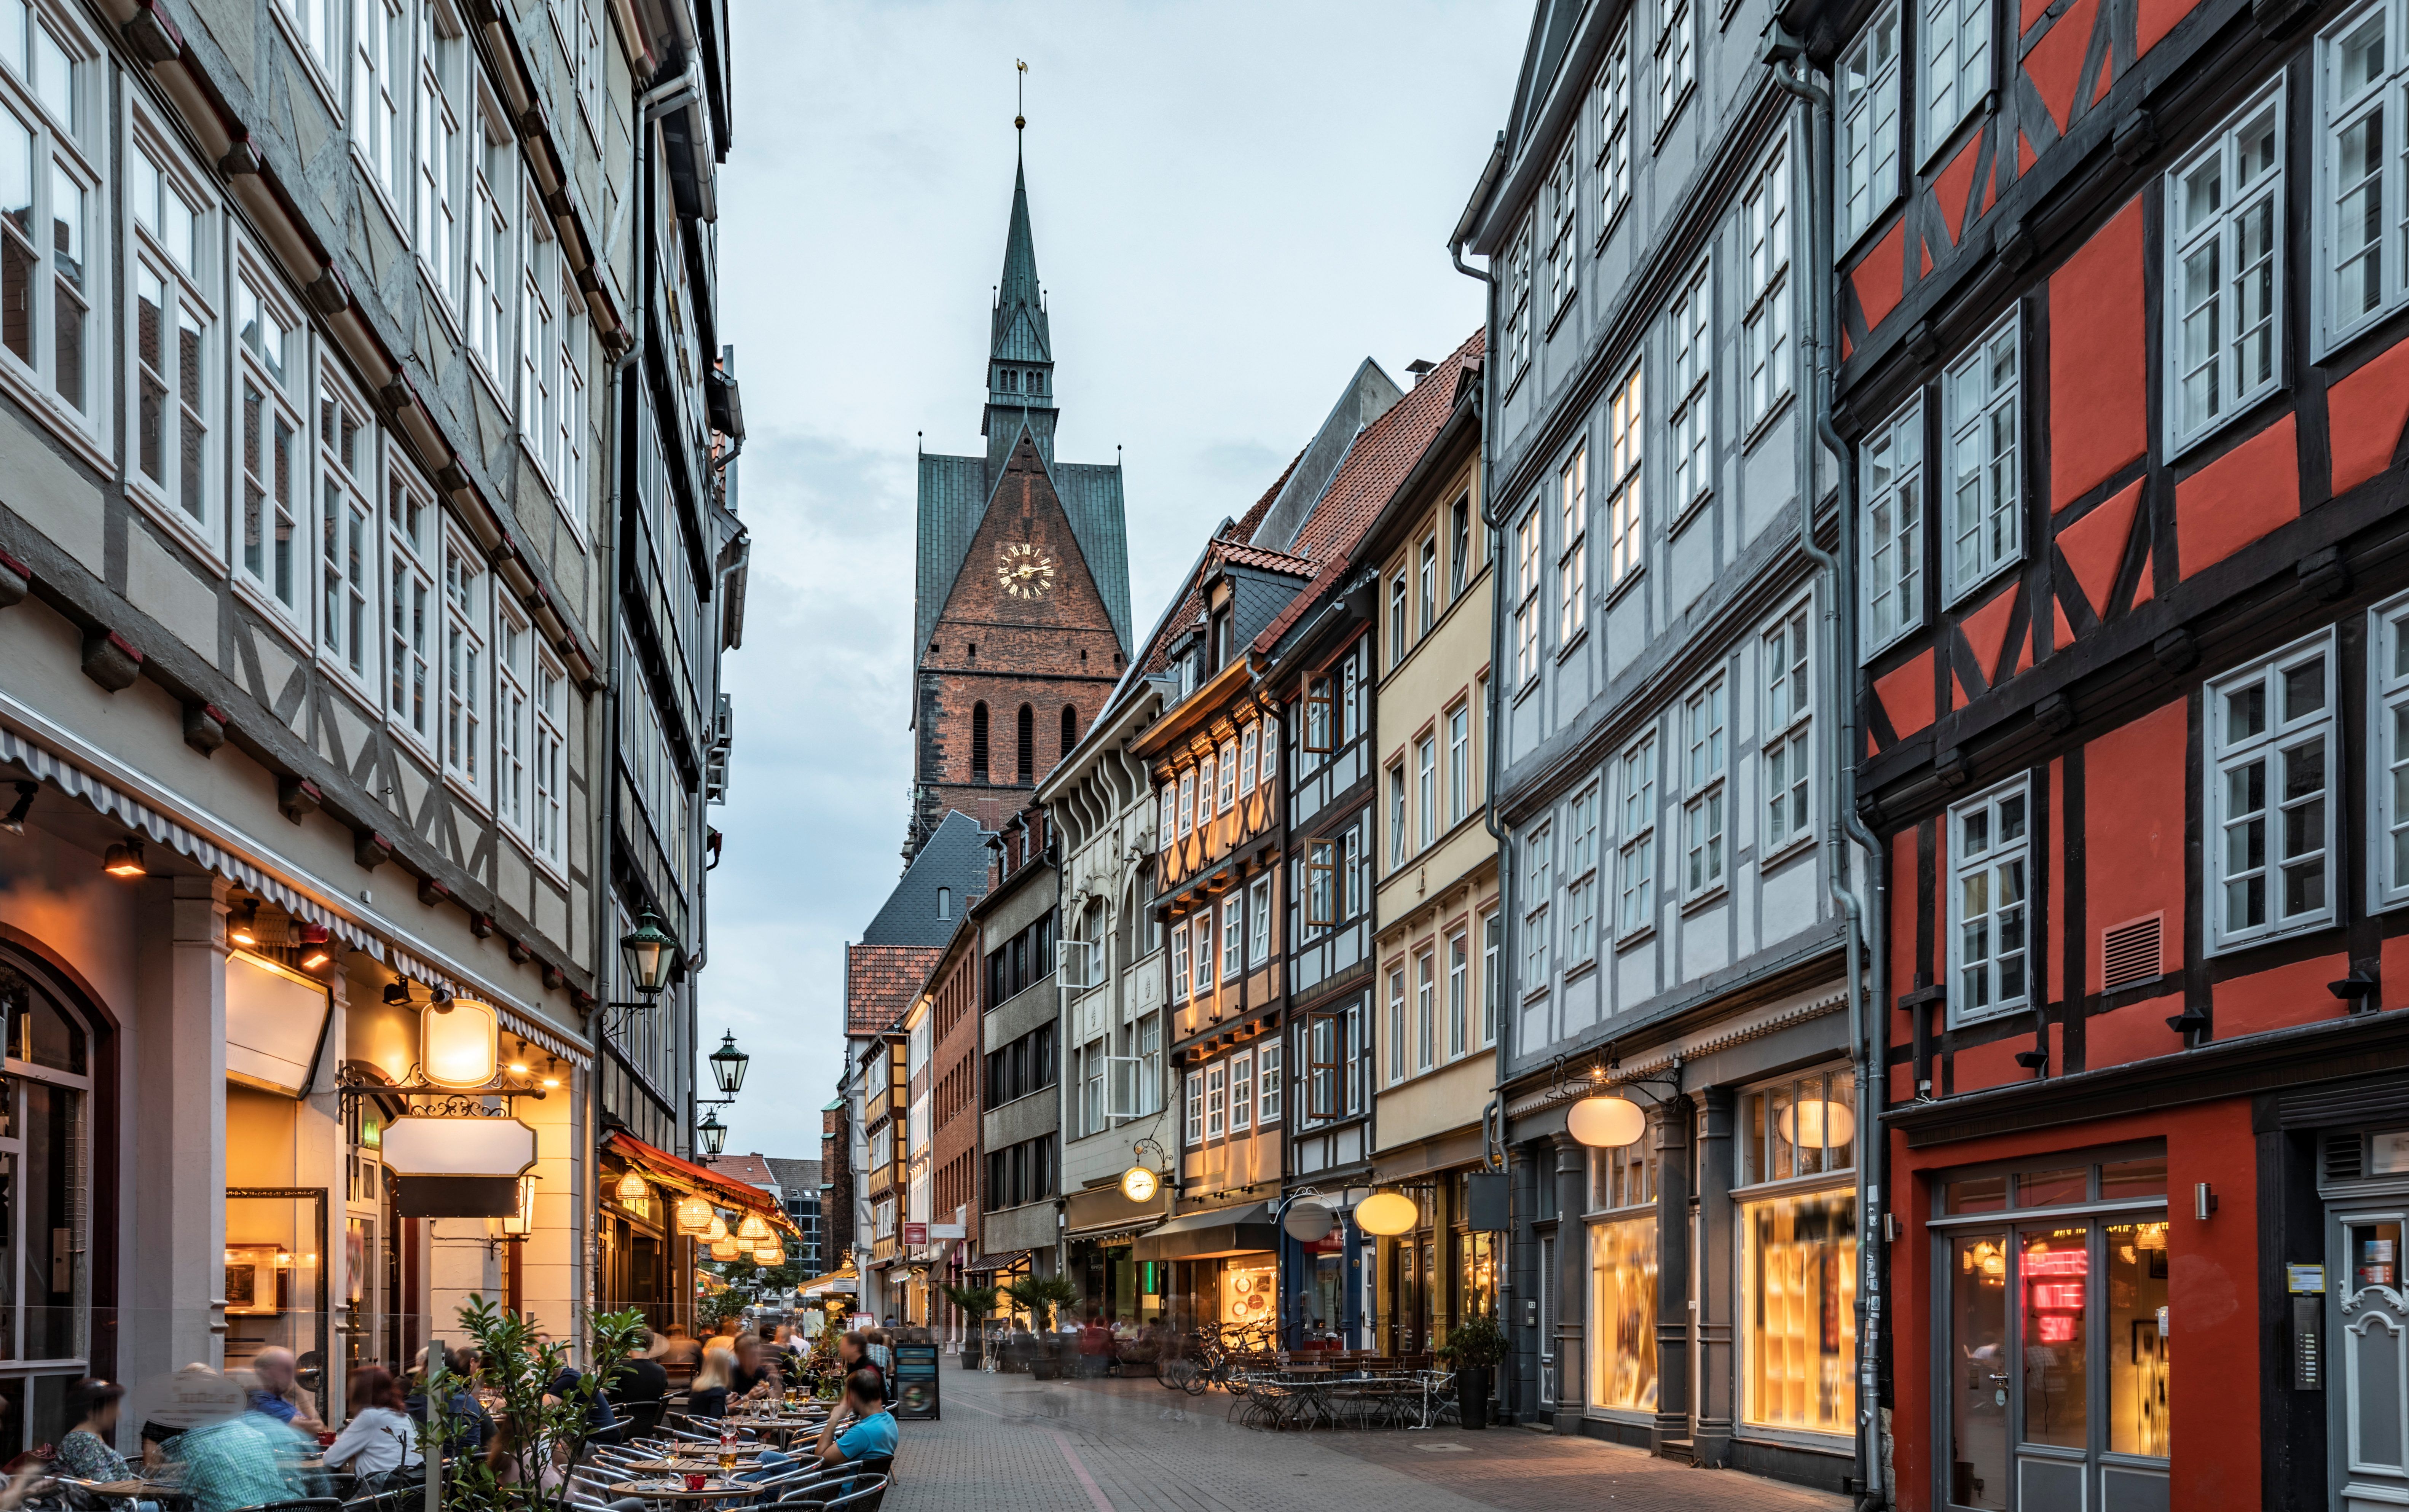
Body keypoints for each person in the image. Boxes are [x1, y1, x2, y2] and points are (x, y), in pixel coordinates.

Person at [55, 1378, 142, 1507]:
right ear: (91, 1412)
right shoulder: (82, 1443)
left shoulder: (89, 1439)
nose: (118, 1414)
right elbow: (106, 1492)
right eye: (111, 1408)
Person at [323, 1369, 418, 1485]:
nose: (347, 1396)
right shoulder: (402, 1415)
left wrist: (350, 1455)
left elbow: (330, 1460)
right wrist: (352, 1455)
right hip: (411, 1490)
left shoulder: (370, 1417)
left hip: (382, 1491)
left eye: (350, 1390)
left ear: (360, 1393)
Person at [810, 1370, 896, 1493]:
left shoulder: (863, 1432)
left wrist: (834, 1420)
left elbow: (819, 1461)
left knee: (779, 1462)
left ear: (853, 1396)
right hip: (856, 1492)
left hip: (832, 1493)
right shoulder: (889, 1420)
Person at [242, 1349, 326, 1436]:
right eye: (287, 1370)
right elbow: (318, 1429)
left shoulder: (277, 1399)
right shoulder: (263, 1403)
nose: (292, 1377)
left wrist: (300, 1394)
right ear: (265, 1370)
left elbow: (318, 1426)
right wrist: (301, 1395)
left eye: (293, 1371)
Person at [609, 1330, 669, 1407]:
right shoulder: (661, 1371)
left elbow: (612, 1392)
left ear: (630, 1345)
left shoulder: (620, 1368)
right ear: (651, 1345)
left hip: (621, 1413)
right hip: (652, 1414)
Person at [684, 1346, 737, 1419]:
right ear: (724, 1367)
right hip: (707, 1427)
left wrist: (724, 1401)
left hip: (694, 1426)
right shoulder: (718, 1390)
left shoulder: (697, 1385)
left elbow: (704, 1408)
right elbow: (716, 1420)